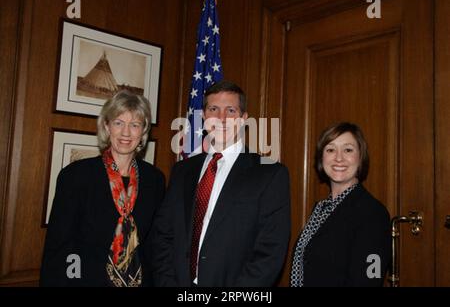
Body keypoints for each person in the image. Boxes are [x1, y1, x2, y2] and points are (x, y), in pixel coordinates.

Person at [150, 80, 291, 287]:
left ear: (243, 119)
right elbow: (163, 236)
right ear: (204, 117)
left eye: (231, 110)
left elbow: (270, 253)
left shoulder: (269, 173)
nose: (221, 118)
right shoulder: (182, 171)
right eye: (213, 109)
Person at [40, 90, 165, 287]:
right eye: (118, 123)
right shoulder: (76, 175)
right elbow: (60, 247)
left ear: (143, 131)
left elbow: (154, 244)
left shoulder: (155, 179)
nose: (126, 132)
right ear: (106, 126)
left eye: (134, 125)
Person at [290, 122, 391, 287]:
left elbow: (368, 282)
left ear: (360, 158)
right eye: (330, 149)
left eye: (348, 150)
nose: (338, 158)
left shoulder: (373, 214)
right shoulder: (323, 209)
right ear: (322, 158)